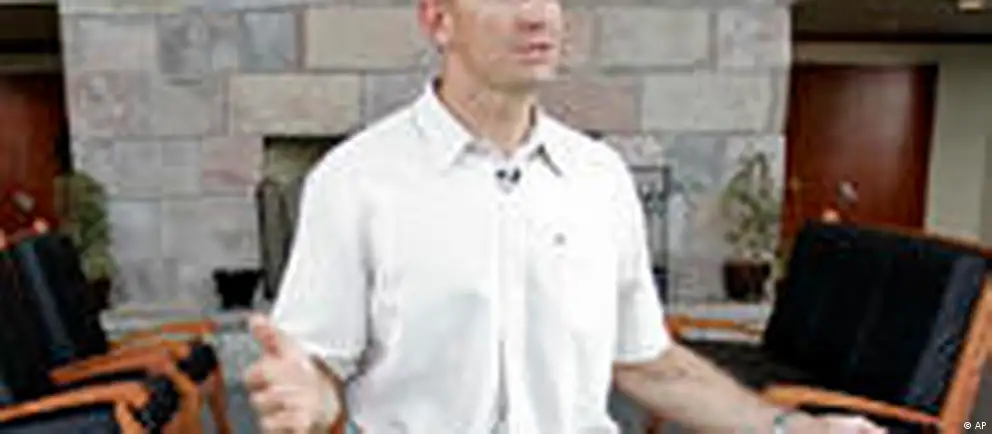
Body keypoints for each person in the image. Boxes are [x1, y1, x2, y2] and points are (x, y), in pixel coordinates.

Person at [243, 0, 888, 433]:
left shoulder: (600, 178)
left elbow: (646, 362)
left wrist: (791, 427)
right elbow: (317, 372)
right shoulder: (355, 181)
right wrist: (309, 396)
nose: (538, 15)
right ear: (438, 19)